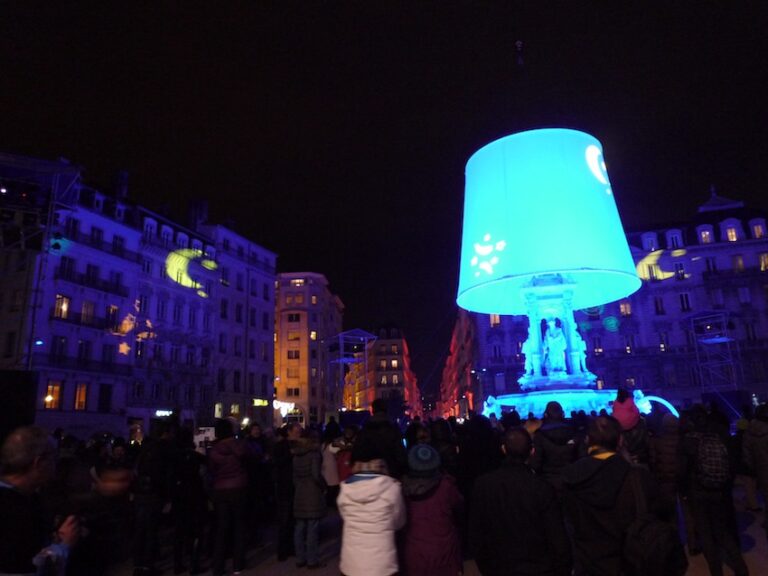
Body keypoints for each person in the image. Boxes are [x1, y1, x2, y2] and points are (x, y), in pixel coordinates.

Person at [562, 416, 660, 576]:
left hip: (588, 564)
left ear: (587, 440)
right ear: (620, 441)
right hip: (629, 562)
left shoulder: (569, 479)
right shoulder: (637, 477)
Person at [470, 427, 571, 576]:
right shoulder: (541, 487)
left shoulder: (483, 485)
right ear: (531, 451)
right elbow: (556, 536)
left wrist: (486, 567)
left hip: (498, 567)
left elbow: (476, 534)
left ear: (504, 449)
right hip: (538, 568)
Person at [0, 426, 80, 575]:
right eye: (53, 459)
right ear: (38, 463)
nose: (55, 465)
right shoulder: (16, 511)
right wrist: (64, 545)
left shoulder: (28, 498)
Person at [680, 408, 749, 576]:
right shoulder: (718, 436)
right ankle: (741, 569)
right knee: (722, 531)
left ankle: (716, 571)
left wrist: (683, 490)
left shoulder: (688, 441)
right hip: (718, 489)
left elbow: (682, 469)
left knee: (706, 535)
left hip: (697, 491)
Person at [337, 437, 406, 576]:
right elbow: (399, 522)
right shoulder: (392, 488)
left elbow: (344, 516)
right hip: (382, 565)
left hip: (352, 564)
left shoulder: (345, 490)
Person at [401, 444, 464, 576]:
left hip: (414, 550)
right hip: (444, 549)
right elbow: (459, 508)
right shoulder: (446, 486)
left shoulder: (402, 489)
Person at [208, 417, 249, 576]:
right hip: (238, 487)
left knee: (221, 528)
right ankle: (238, 565)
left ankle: (218, 566)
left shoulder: (214, 449)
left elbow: (211, 470)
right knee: (239, 526)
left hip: (220, 489)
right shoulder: (239, 446)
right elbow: (248, 459)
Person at [529, 401, 580, 497]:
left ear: (546, 415)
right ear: (563, 414)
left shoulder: (539, 435)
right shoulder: (574, 432)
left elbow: (536, 463)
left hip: (548, 483)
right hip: (573, 481)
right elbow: (581, 457)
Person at [292, 428, 327, 569]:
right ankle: (312, 560)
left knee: (299, 527)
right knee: (312, 528)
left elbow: (294, 477)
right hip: (312, 492)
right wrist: (323, 486)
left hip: (300, 491)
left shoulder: (295, 455)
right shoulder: (314, 455)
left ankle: (300, 558)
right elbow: (316, 475)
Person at [354, 398, 408, 478]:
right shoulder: (393, 431)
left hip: (369, 478)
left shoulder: (364, 431)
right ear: (386, 410)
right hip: (390, 476)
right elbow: (401, 456)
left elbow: (356, 455)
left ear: (373, 410)